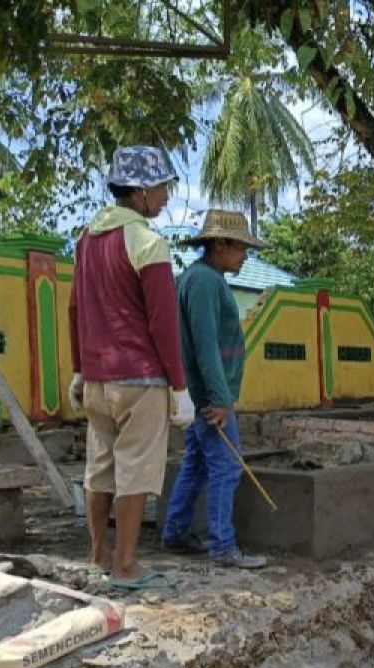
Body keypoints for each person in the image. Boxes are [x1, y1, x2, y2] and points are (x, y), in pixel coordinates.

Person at [68, 145, 194, 590]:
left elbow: (74, 308)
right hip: (140, 379)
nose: (165, 197)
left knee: (99, 468)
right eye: (161, 188)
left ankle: (99, 555)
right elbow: (164, 324)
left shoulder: (86, 240)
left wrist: (79, 369)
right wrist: (179, 387)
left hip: (98, 381)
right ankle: (125, 565)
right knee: (136, 469)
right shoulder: (147, 243)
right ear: (140, 192)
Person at [160, 210, 268, 569]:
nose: (244, 257)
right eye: (240, 248)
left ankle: (175, 532)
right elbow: (205, 346)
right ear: (220, 244)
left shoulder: (198, 279)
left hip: (198, 393)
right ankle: (223, 545)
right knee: (227, 467)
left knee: (196, 465)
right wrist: (221, 400)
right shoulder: (204, 282)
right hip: (209, 397)